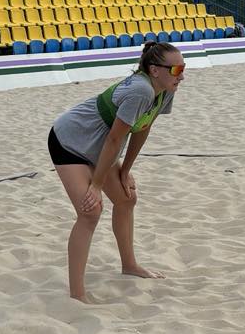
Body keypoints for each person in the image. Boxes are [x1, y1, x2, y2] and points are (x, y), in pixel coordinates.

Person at [47, 39, 184, 301]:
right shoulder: (141, 90)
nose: (182, 76)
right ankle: (77, 293)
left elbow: (142, 128)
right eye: (177, 70)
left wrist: (125, 171)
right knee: (90, 212)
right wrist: (96, 185)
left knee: (127, 198)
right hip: (70, 141)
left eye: (183, 68)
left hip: (99, 145)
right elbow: (114, 139)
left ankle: (129, 265)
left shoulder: (165, 89)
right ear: (155, 70)